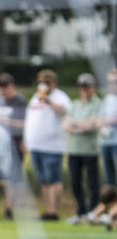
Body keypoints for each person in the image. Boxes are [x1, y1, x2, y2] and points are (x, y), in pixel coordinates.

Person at [24, 69, 72, 220]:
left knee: (53, 179)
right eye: (41, 82)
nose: (43, 85)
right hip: (36, 145)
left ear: (54, 83)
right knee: (44, 180)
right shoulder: (35, 97)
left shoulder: (60, 97)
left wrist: (48, 101)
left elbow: (64, 111)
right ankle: (47, 210)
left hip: (53, 146)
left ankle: (54, 211)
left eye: (47, 82)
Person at [63, 73, 101, 224]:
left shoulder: (98, 104)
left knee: (92, 182)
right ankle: (80, 212)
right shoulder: (75, 104)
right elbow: (66, 125)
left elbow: (91, 126)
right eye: (83, 88)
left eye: (88, 87)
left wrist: (75, 123)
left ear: (93, 87)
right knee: (75, 182)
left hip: (90, 149)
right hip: (74, 149)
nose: (85, 91)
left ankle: (93, 212)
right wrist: (80, 124)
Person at [0, 72, 27, 219]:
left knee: (14, 178)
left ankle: (9, 209)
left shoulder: (20, 102)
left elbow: (27, 124)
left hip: (15, 143)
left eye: (5, 86)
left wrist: (8, 122)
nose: (3, 90)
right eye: (0, 87)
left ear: (12, 86)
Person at [97, 68, 117, 188]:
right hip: (106, 142)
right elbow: (99, 118)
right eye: (109, 82)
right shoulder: (108, 99)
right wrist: (104, 122)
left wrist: (106, 121)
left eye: (113, 82)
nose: (110, 85)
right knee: (109, 179)